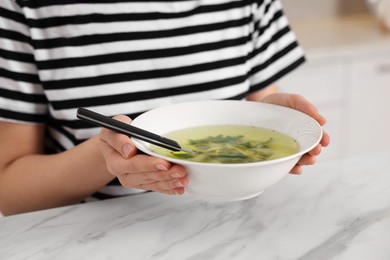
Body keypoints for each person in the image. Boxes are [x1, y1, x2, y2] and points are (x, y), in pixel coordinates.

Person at [0, 0, 330, 216]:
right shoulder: (25, 6)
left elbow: (256, 107)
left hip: (237, 230)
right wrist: (107, 158)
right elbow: (10, 194)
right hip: (97, 238)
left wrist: (275, 118)